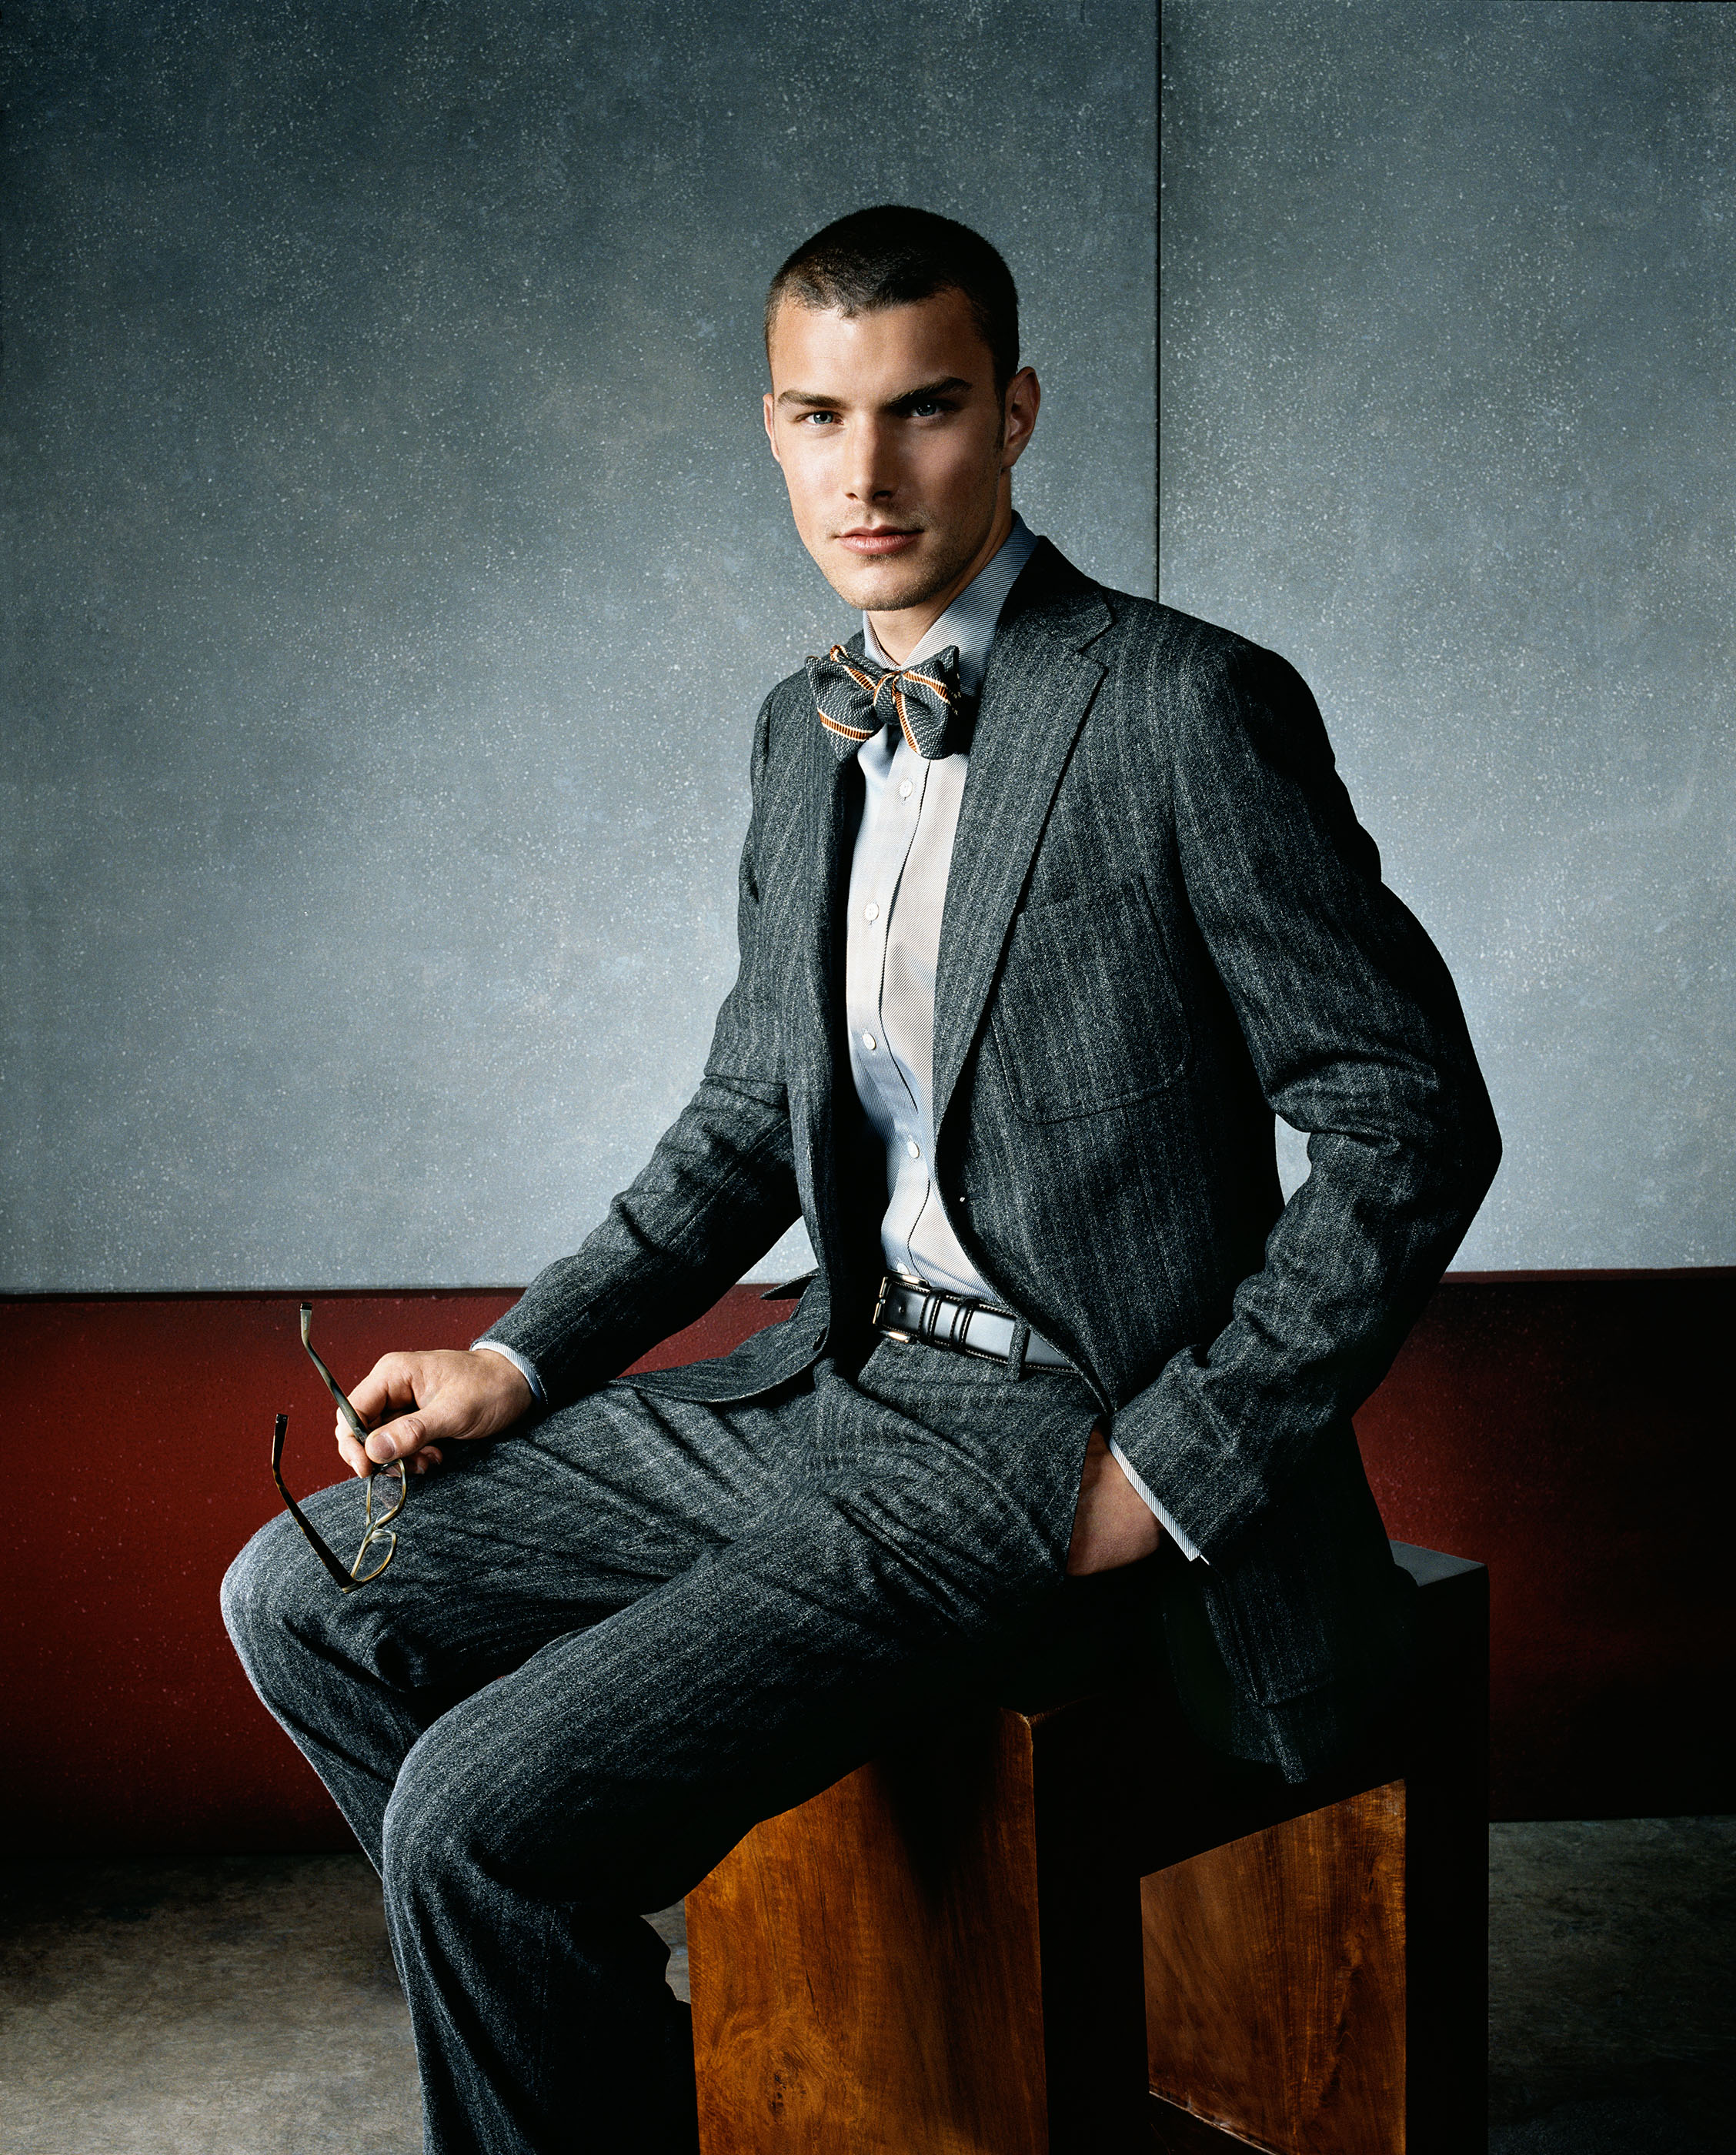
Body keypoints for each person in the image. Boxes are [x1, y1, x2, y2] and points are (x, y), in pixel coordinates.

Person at [223, 204, 1500, 2155]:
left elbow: (1411, 1114)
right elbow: (750, 1116)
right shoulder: (800, 726)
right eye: (821, 417)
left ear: (1016, 413)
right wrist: (520, 1355)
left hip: (1045, 1439)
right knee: (308, 1593)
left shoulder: (1180, 705)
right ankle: (602, 2074)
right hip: (828, 1381)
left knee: (474, 1821)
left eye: (925, 409)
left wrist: (1171, 1464)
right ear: (772, 427)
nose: (868, 472)